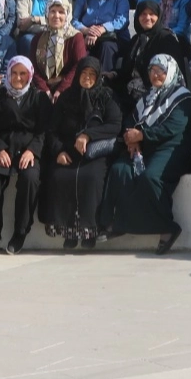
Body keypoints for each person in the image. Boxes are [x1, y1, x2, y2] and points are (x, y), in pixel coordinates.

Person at [103, 54, 191, 252]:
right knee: (120, 170)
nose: (155, 75)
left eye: (160, 71)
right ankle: (120, 223)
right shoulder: (149, 96)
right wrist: (131, 139)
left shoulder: (184, 98)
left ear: (170, 72)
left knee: (151, 177)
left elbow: (173, 129)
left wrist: (142, 136)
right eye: (151, 71)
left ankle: (168, 228)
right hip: (148, 146)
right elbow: (132, 119)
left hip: (173, 149)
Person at [41, 57, 123, 248]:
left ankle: (89, 232)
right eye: (84, 73)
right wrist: (59, 151)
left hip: (95, 153)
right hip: (68, 152)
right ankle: (69, 232)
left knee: (91, 178)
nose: (87, 78)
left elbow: (115, 125)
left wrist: (88, 135)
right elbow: (52, 129)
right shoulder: (66, 98)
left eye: (92, 74)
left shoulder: (106, 96)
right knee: (60, 176)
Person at [0, 57, 51, 255]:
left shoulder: (39, 98)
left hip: (28, 150)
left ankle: (21, 231)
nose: (18, 78)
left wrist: (32, 151)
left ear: (30, 75)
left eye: (23, 74)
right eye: (14, 73)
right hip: (4, 149)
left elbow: (44, 131)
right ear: (8, 73)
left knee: (30, 179)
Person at [118, 0, 190, 111]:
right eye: (143, 14)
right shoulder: (136, 40)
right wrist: (113, 73)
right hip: (131, 92)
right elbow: (127, 70)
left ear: (159, 16)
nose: (147, 18)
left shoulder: (166, 38)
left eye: (152, 14)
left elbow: (172, 75)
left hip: (158, 95)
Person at [73, 0, 130, 72]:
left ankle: (104, 84)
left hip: (113, 37)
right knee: (77, 45)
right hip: (88, 36)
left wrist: (102, 29)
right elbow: (73, 20)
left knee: (106, 46)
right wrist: (86, 30)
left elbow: (122, 20)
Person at [31, 0, 88, 98]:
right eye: (52, 11)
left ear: (67, 15)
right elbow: (32, 67)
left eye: (61, 12)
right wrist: (45, 90)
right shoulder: (38, 38)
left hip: (67, 88)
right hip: (42, 88)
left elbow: (79, 65)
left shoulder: (75, 37)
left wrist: (61, 89)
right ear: (47, 14)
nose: (56, 16)